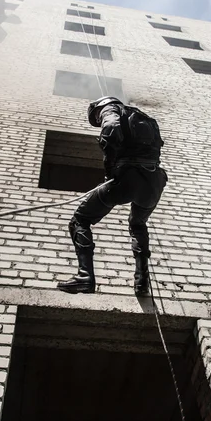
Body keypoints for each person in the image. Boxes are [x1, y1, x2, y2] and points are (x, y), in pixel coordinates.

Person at [57, 96, 167, 296]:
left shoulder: (111, 109)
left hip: (127, 177)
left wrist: (110, 170)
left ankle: (85, 277)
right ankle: (142, 283)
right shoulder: (145, 118)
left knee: (80, 220)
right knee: (138, 225)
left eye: (97, 118)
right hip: (154, 182)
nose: (99, 120)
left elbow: (111, 129)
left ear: (99, 106)